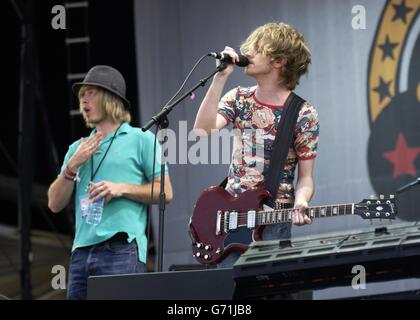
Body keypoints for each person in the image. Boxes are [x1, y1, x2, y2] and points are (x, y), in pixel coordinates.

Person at [194, 23, 319, 268]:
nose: (248, 52)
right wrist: (220, 78)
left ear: (279, 61)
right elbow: (202, 130)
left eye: (258, 48)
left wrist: (302, 200)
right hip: (231, 219)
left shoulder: (304, 113)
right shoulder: (239, 98)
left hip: (272, 220)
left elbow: (305, 178)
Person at [47, 65, 173, 299]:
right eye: (81, 95)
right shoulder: (77, 148)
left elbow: (166, 191)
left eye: (90, 93)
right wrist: (72, 166)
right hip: (80, 252)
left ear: (110, 98)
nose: (83, 100)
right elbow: (54, 204)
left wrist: (120, 188)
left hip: (121, 248)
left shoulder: (141, 139)